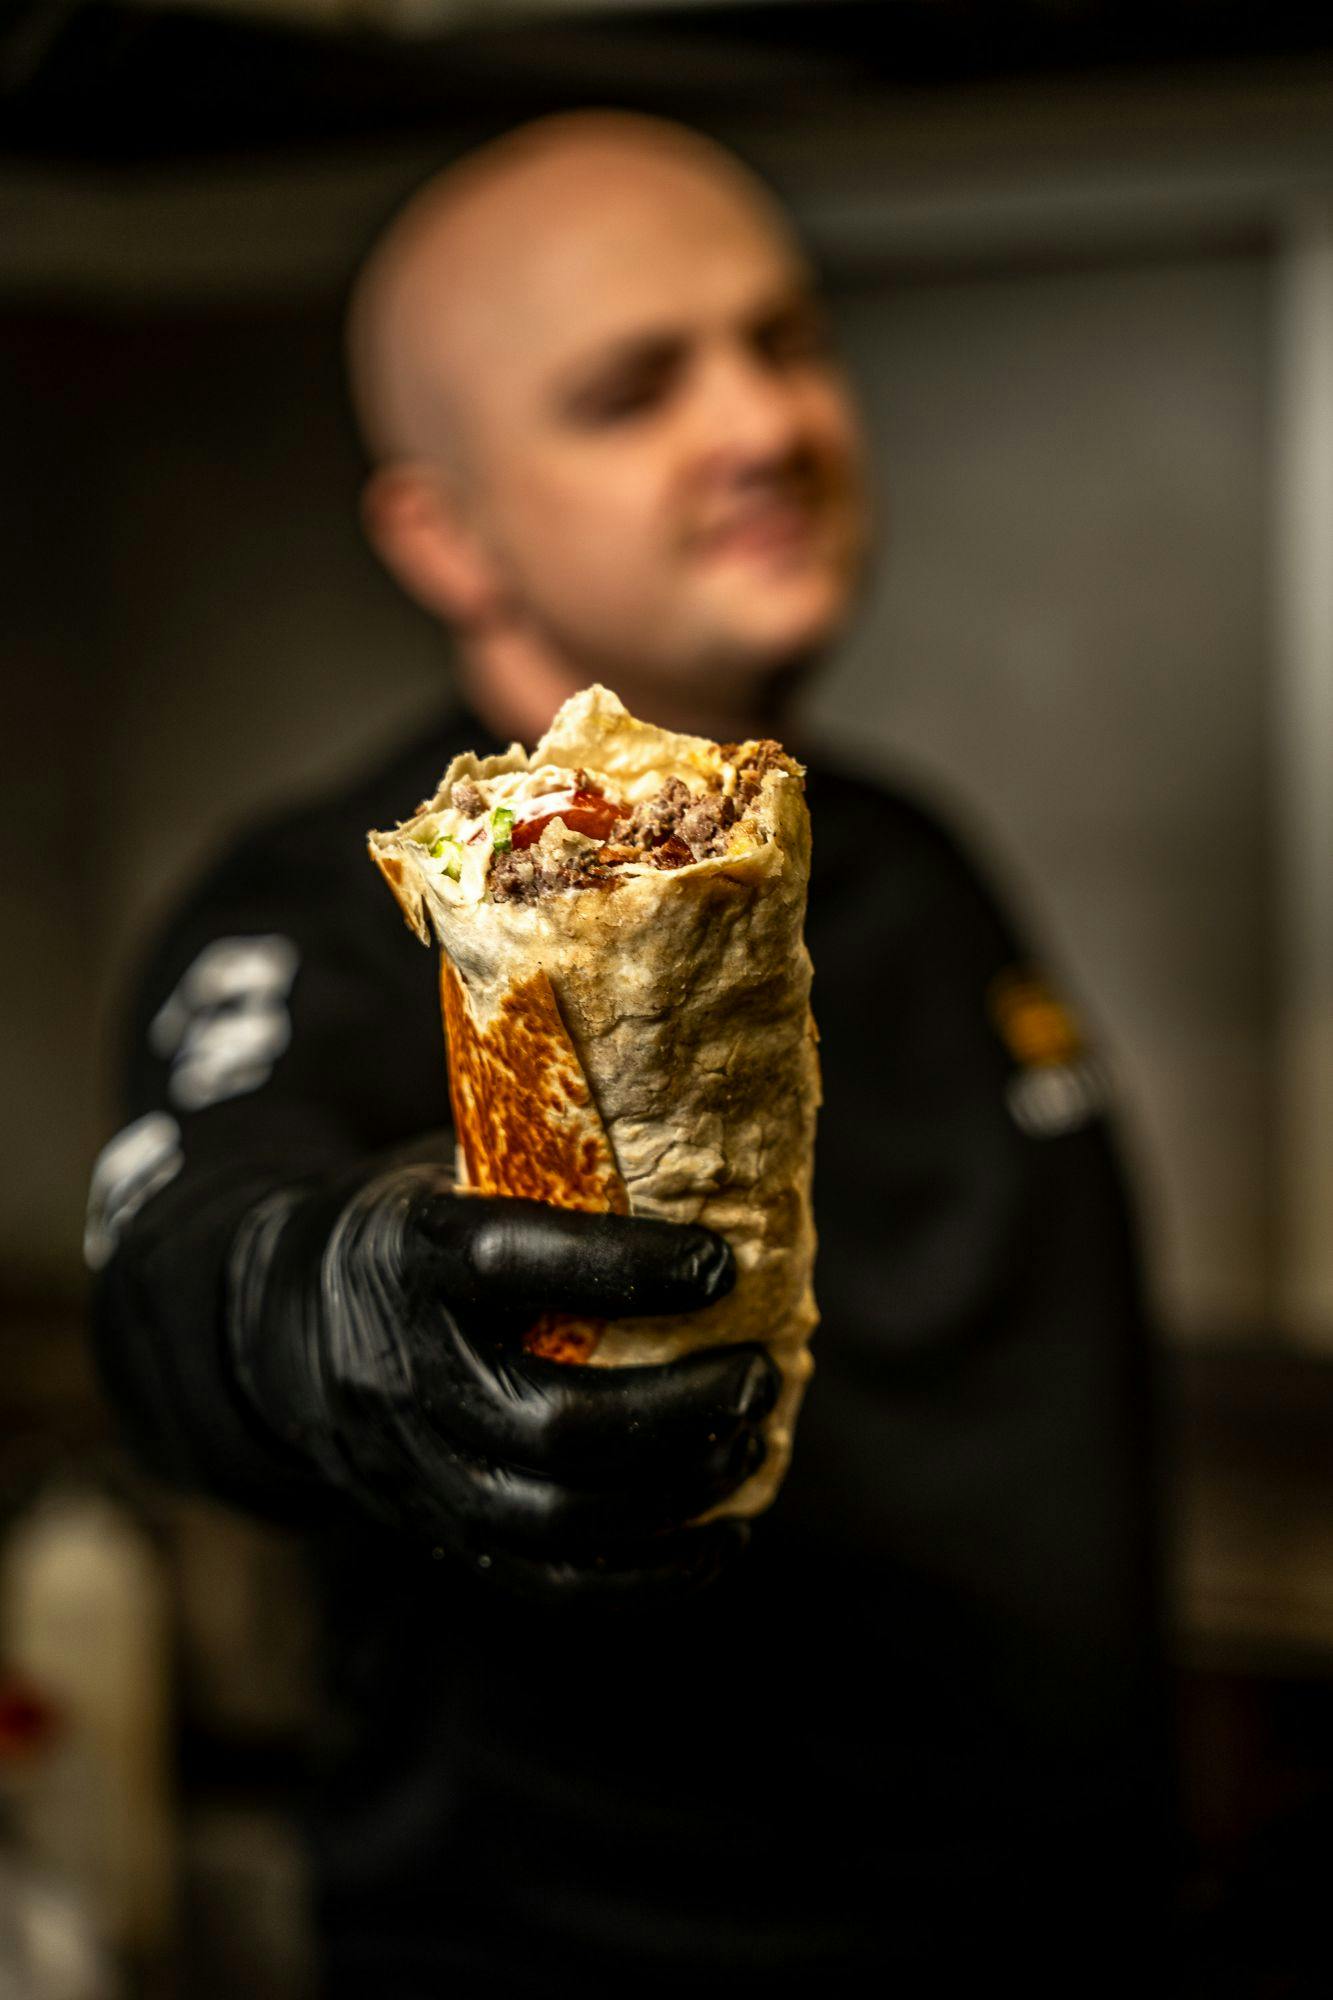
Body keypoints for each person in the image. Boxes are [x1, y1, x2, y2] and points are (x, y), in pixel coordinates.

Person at [87, 112, 1171, 1994]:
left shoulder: (904, 853)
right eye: (630, 391)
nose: (762, 423)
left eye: (785, 341)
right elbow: (180, 1258)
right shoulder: (346, 912)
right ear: (445, 534)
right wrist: (318, 1297)